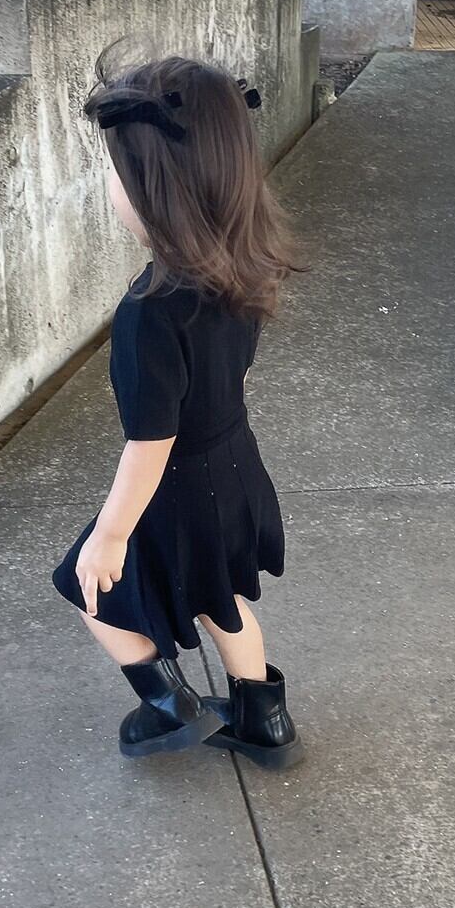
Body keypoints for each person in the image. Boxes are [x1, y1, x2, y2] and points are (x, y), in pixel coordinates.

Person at [52, 48, 303, 770]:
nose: (110, 185)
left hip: (175, 488)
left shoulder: (149, 309)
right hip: (235, 470)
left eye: (115, 171)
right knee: (219, 597)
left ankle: (165, 704)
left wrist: (110, 535)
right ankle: (265, 721)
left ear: (152, 191)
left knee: (87, 587)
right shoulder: (242, 269)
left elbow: (150, 441)